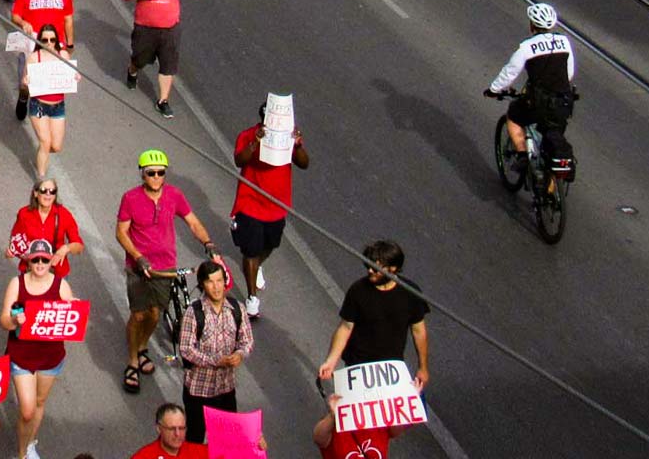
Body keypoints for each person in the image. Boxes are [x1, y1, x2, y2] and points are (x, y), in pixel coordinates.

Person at [115, 149, 218, 395]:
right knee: (138, 315)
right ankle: (132, 360)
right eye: (151, 173)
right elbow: (121, 232)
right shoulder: (130, 198)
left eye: (161, 173)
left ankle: (142, 347)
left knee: (154, 313)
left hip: (165, 266)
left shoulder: (174, 195)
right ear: (143, 175)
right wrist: (139, 259)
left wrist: (209, 244)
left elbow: (192, 221)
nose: (156, 177)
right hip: (140, 268)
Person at [316, 239, 430, 396]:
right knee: (349, 416)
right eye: (368, 265)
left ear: (393, 268)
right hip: (357, 365)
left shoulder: (411, 293)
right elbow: (345, 327)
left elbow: (419, 331)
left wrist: (422, 367)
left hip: (390, 370)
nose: (370, 270)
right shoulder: (358, 291)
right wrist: (331, 361)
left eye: (375, 268)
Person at [485, 1, 577, 187]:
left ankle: (521, 155)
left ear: (532, 24)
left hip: (538, 103)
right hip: (563, 102)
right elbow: (569, 73)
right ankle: (551, 191)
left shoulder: (527, 47)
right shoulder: (564, 42)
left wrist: (494, 90)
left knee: (514, 116)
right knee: (552, 138)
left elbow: (510, 72)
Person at [232, 95, 310, 317]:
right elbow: (240, 160)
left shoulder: (288, 137)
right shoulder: (248, 135)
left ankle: (256, 265)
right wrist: (256, 141)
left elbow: (304, 163)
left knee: (270, 245)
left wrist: (297, 144)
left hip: (276, 206)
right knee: (250, 250)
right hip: (250, 203)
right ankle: (252, 297)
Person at [1, 240, 75, 459]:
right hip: (21, 356)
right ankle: (22, 453)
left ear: (51, 260)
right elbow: (4, 320)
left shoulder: (61, 285)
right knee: (27, 410)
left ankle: (30, 442)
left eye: (44, 259)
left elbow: (74, 319)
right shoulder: (17, 283)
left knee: (40, 402)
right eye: (36, 259)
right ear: (28, 261)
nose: (40, 263)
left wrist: (74, 310)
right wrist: (16, 321)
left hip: (50, 357)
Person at [177, 259, 253, 444]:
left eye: (220, 281)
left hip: (225, 387)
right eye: (211, 282)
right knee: (195, 438)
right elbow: (186, 349)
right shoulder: (194, 312)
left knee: (226, 439)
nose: (216, 287)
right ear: (203, 284)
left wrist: (240, 354)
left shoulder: (236, 309)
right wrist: (216, 361)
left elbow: (247, 340)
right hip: (198, 390)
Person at [122, 0, 200, 119]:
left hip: (170, 28)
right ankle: (132, 71)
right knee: (140, 58)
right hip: (145, 27)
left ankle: (163, 101)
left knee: (168, 64)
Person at [21, 25, 76, 178]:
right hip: (38, 105)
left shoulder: (63, 55)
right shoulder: (34, 57)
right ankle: (41, 177)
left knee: (55, 146)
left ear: (57, 40)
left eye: (52, 39)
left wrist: (75, 76)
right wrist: (26, 82)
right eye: (45, 40)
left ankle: (42, 154)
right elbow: (24, 84)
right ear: (40, 41)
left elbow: (71, 74)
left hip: (58, 106)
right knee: (45, 141)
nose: (49, 43)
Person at [313, 392, 392, 459]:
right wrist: (333, 416)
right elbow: (319, 439)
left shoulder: (379, 421)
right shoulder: (337, 426)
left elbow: (395, 430)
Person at [127, 403, 209, 459]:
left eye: (181, 428)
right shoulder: (143, 456)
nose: (177, 434)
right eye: (172, 429)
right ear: (159, 428)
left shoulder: (200, 452)